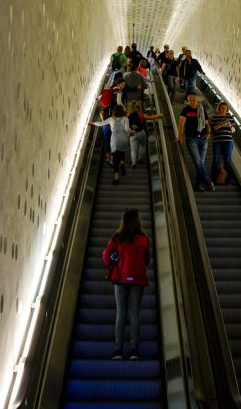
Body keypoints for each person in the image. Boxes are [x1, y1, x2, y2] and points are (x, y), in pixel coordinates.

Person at [102, 208, 150, 360]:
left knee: (121, 312)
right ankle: (134, 350)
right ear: (138, 221)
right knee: (135, 313)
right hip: (137, 280)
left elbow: (106, 256)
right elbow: (147, 260)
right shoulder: (143, 239)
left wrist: (116, 262)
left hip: (120, 279)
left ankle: (118, 350)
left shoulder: (117, 238)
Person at [175, 92, 212, 191]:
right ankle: (208, 181)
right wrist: (179, 137)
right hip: (192, 139)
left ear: (197, 99)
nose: (192, 101)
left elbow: (207, 123)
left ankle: (198, 185)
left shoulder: (202, 109)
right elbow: (181, 124)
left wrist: (209, 133)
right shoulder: (185, 110)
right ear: (187, 100)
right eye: (190, 100)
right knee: (198, 161)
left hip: (203, 139)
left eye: (194, 99)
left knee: (201, 162)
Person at [90, 104, 130, 183]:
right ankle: (122, 163)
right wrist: (131, 133)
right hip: (123, 138)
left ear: (114, 111)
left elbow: (101, 124)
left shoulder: (111, 119)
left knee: (115, 157)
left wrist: (93, 123)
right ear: (122, 111)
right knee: (122, 153)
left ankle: (116, 177)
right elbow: (127, 129)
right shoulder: (126, 119)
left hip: (115, 139)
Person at [127, 102, 163, 168]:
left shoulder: (128, 116)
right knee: (143, 145)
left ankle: (134, 162)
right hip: (141, 132)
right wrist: (159, 115)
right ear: (139, 109)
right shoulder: (141, 114)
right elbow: (151, 117)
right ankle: (140, 158)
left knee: (133, 149)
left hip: (133, 134)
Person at [209, 102, 237, 185]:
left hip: (228, 141)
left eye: (225, 108)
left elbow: (233, 130)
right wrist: (220, 124)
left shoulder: (230, 118)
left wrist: (230, 126)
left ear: (227, 109)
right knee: (215, 160)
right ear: (219, 108)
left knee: (227, 161)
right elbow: (212, 130)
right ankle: (213, 179)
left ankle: (228, 181)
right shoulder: (214, 118)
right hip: (217, 141)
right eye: (222, 108)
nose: (224, 109)